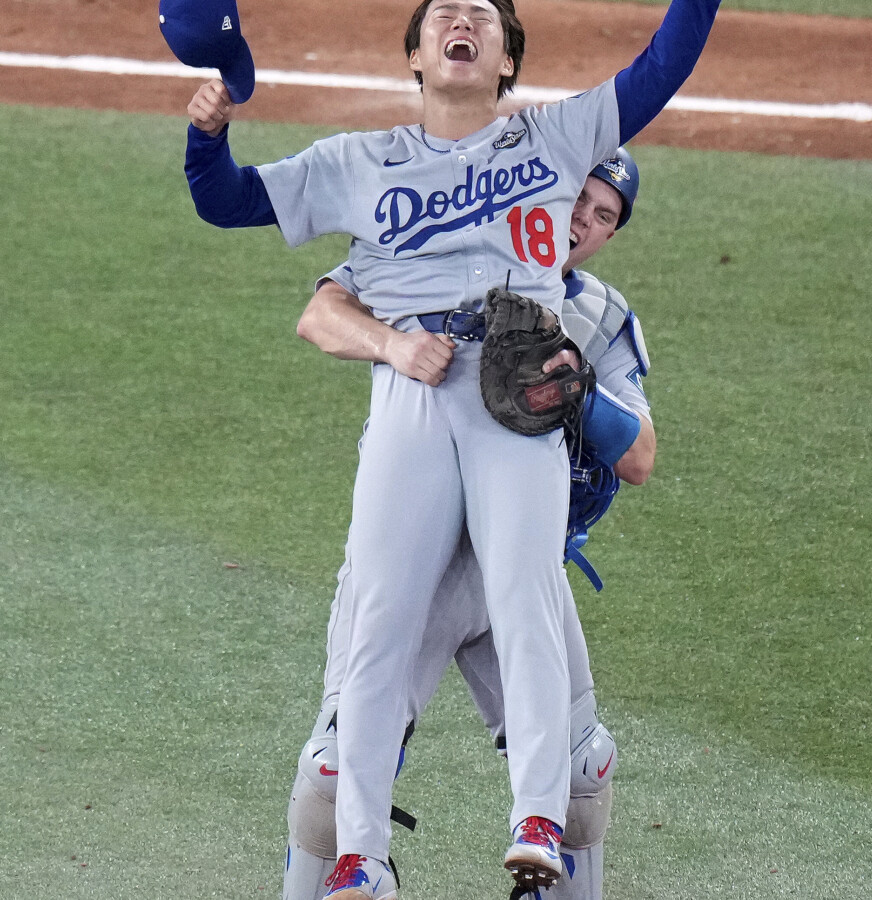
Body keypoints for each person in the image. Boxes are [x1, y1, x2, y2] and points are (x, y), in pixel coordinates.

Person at [183, 2, 719, 894]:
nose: (462, 20)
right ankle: (361, 858)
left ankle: (536, 819)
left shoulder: (556, 137)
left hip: (513, 405)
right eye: (444, 14)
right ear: (416, 53)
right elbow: (226, 200)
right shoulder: (357, 162)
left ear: (507, 58)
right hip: (414, 391)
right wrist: (210, 132)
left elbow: (664, 64)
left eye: (483, 15)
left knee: (526, 593)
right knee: (380, 626)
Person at [284, 150, 654, 900]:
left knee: (583, 772)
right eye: (577, 198)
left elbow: (640, 455)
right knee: (335, 773)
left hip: (515, 568)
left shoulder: (600, 315)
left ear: (612, 234)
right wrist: (393, 342)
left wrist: (573, 385)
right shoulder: (437, 246)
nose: (582, 220)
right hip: (410, 561)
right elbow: (320, 316)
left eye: (603, 215)